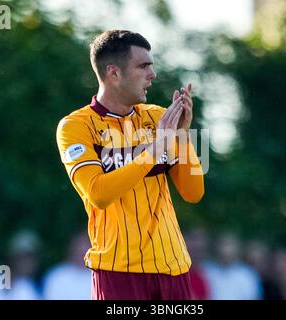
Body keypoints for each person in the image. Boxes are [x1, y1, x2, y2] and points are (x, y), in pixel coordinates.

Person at [56, 30, 204, 300]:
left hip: (174, 268)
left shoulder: (160, 117)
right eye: (143, 66)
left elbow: (194, 193)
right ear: (113, 73)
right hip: (117, 272)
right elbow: (99, 194)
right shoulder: (74, 126)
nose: (152, 75)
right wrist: (155, 150)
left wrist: (182, 136)